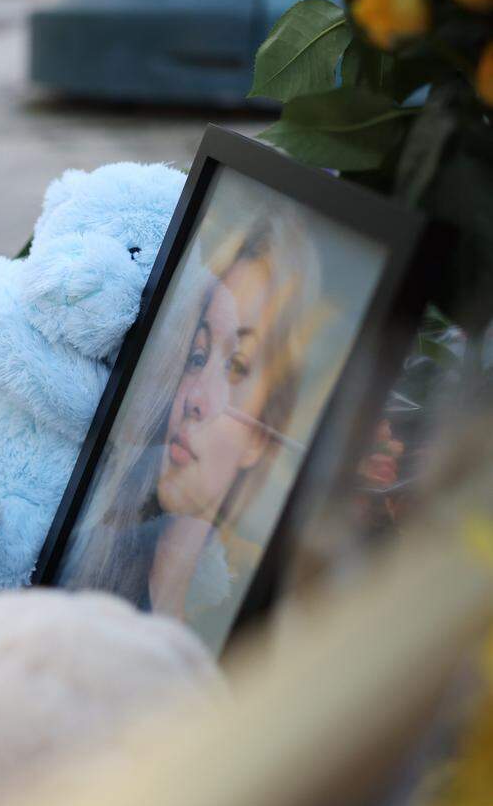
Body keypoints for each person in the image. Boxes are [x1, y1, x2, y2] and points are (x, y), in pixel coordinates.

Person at [58, 205, 321, 646]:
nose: (196, 399)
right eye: (196, 356)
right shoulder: (90, 547)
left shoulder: (234, 633)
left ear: (262, 434)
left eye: (236, 367)